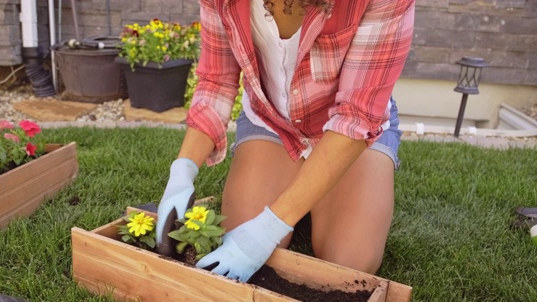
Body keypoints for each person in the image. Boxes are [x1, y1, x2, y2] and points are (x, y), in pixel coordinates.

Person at [156, 0, 415, 282]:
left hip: (346, 130)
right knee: (239, 240)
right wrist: (183, 171)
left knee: (348, 262)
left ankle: (309, 198)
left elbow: (357, 116)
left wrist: (270, 226)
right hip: (272, 121)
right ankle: (302, 194)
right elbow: (216, 80)